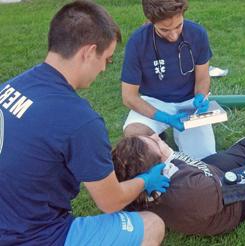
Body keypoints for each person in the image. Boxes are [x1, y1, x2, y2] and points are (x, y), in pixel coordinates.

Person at [0, 1, 170, 245]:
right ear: (89, 52)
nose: (103, 69)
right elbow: (110, 202)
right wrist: (146, 180)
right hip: (33, 236)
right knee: (153, 225)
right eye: (107, 59)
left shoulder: (9, 87)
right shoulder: (79, 120)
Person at [112, 102, 245, 235]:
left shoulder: (130, 181)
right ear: (158, 166)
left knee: (243, 149)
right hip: (231, 205)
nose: (157, 136)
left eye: (150, 136)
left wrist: (169, 155)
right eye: (154, 142)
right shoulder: (192, 190)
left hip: (206, 171)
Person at [120, 0, 215, 160]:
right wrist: (164, 118)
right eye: (164, 29)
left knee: (204, 161)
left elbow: (203, 77)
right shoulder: (137, 42)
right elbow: (129, 97)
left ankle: (169, 140)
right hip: (154, 101)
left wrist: (200, 96)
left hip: (189, 102)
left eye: (178, 26)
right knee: (135, 140)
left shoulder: (198, 34)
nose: (173, 35)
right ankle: (159, 136)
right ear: (151, 21)